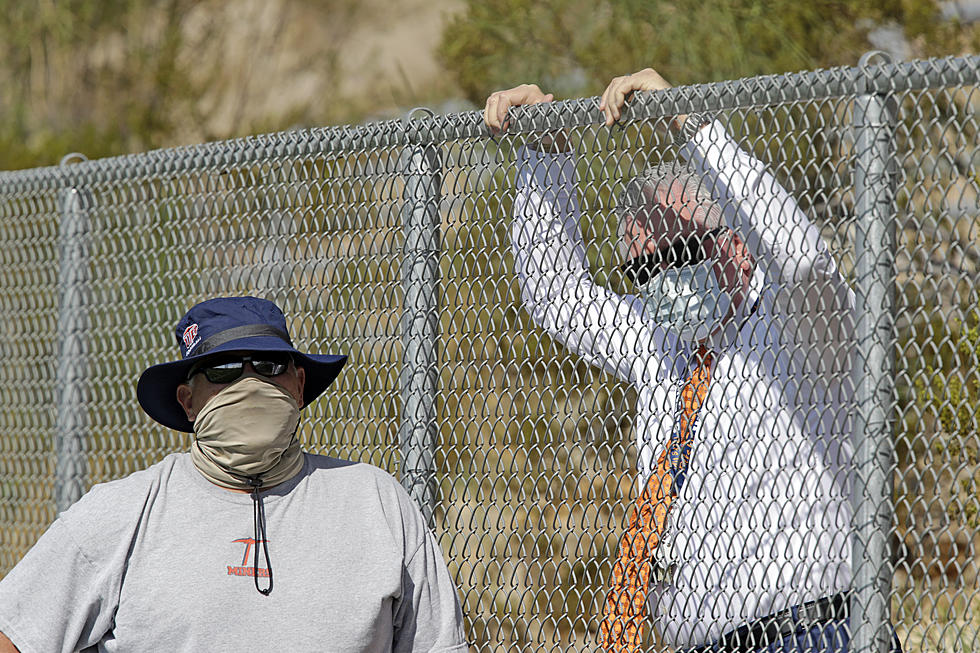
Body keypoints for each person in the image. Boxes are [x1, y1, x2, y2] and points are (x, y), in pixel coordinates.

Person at [485, 69, 900, 652]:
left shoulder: (801, 321)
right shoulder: (662, 344)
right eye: (642, 269)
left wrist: (693, 126)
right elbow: (557, 298)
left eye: (679, 251)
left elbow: (799, 252)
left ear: (733, 240)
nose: (663, 278)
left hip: (812, 632)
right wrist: (546, 152)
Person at [0, 296, 468, 652]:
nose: (250, 383)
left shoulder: (376, 503)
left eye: (270, 366)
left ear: (299, 385)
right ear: (188, 400)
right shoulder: (121, 513)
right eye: (223, 369)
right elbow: (16, 634)